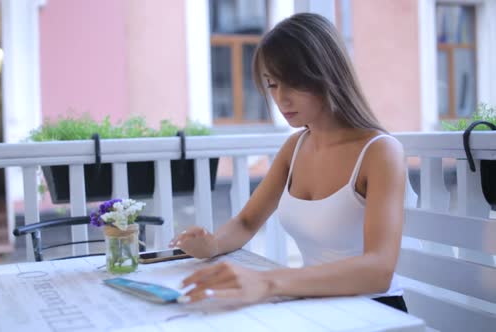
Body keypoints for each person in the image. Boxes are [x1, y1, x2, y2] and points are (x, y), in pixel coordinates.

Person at [168, 13, 415, 313]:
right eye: (272, 84)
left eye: (293, 83)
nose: (280, 99)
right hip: (317, 307)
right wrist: (213, 245)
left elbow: (378, 270)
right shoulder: (294, 147)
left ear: (327, 75)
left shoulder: (380, 152)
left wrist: (268, 282)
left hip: (376, 310)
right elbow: (246, 222)